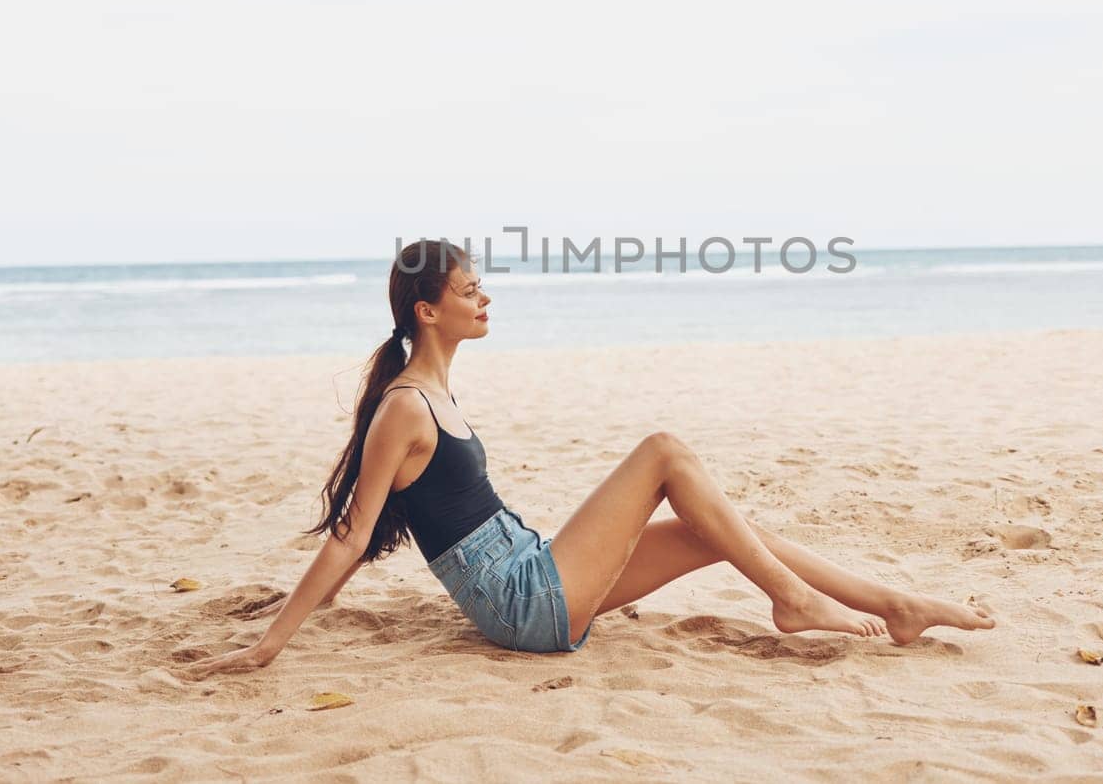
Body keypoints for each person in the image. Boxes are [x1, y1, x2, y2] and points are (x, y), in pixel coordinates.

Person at [180, 239, 994, 677]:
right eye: (470, 291)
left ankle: (897, 605)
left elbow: (387, 522)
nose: (485, 298)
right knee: (665, 451)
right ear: (429, 311)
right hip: (522, 601)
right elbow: (353, 534)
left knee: (724, 527)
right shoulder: (405, 407)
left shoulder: (433, 396)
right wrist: (270, 643)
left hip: (533, 572)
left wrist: (300, 611)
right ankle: (792, 600)